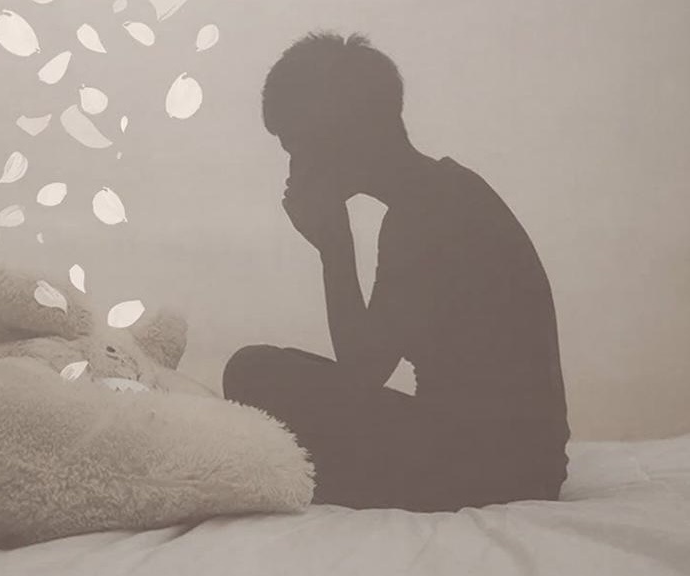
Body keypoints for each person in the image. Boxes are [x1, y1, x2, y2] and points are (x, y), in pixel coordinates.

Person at [222, 32, 570, 511]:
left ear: (341, 137)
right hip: (517, 461)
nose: (294, 165)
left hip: (495, 470)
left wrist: (335, 247)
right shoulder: (445, 192)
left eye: (296, 146)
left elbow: (362, 371)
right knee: (268, 370)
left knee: (251, 371)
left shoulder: (429, 214)